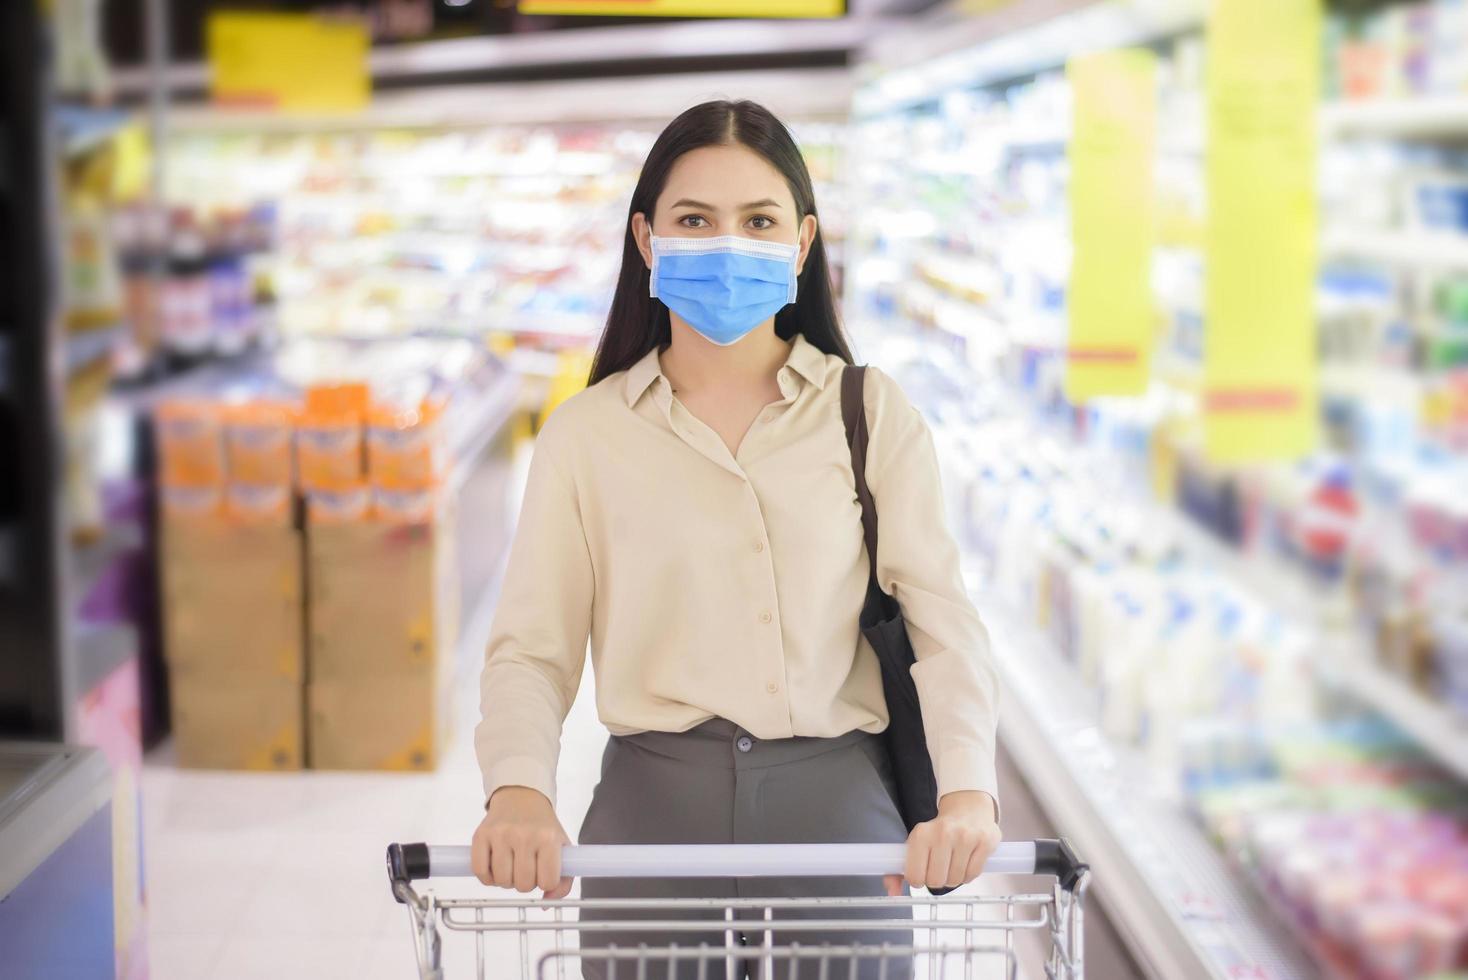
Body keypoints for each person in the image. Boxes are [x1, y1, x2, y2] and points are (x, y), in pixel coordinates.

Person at [470, 99, 1001, 980]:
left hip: (837, 807)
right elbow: (532, 648)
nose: (727, 244)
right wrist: (520, 790)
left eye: (758, 220)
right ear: (646, 240)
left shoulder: (867, 414)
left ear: (801, 245)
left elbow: (944, 624)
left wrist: (968, 793)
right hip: (649, 811)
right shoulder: (587, 435)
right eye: (693, 220)